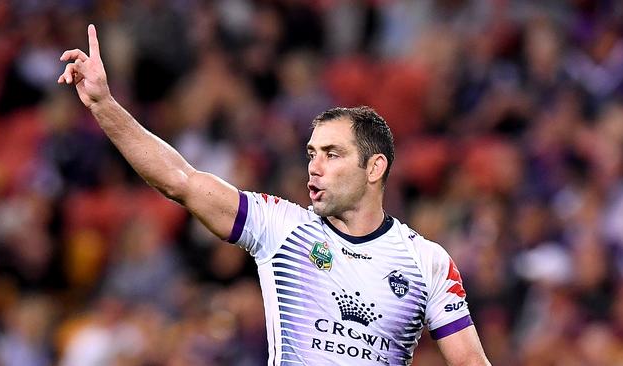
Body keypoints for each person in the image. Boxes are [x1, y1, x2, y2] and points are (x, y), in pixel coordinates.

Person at [59, 24, 491, 366]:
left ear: (374, 168)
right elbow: (182, 180)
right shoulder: (282, 228)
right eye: (311, 154)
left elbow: (470, 362)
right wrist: (103, 105)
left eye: (333, 154)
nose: (314, 166)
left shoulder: (427, 262)